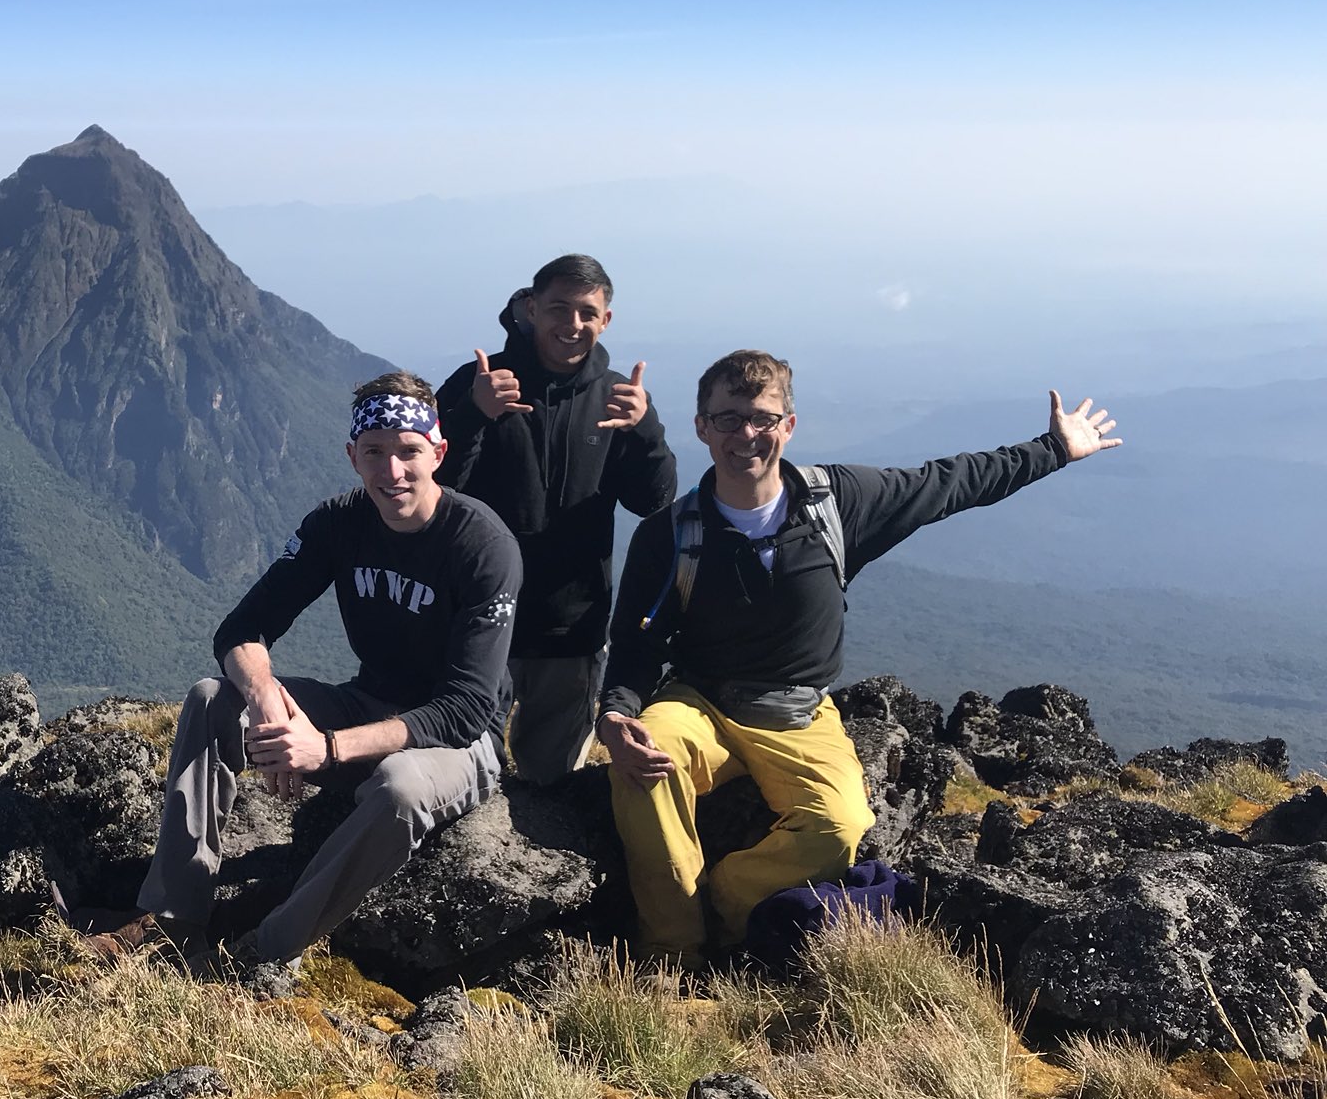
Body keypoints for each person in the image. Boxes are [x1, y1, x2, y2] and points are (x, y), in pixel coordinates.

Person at [598, 348, 1123, 964]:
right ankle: (671, 950)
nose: (747, 434)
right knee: (642, 764)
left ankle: (729, 903)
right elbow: (635, 646)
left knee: (842, 824)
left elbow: (950, 482)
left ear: (788, 426)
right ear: (702, 428)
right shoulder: (669, 532)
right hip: (697, 701)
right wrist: (616, 715)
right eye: (729, 419)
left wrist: (1054, 449)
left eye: (764, 419)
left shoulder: (838, 503)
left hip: (798, 711)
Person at [81, 371, 523, 981]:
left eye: (408, 452)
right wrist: (266, 702)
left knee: (398, 790)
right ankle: (173, 918)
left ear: (438, 453)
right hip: (367, 702)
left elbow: (467, 708)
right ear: (352, 456)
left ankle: (262, 952)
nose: (392, 470)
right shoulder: (340, 523)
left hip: (457, 743)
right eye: (375, 452)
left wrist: (326, 748)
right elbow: (240, 630)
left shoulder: (481, 545)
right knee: (214, 698)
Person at [435, 254, 676, 785]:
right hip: (478, 614)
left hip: (571, 624)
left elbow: (654, 500)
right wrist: (473, 413)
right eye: (558, 309)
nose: (572, 325)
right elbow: (432, 489)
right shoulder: (481, 382)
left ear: (606, 319)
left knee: (551, 783)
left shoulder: (618, 398)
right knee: (462, 768)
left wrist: (645, 431)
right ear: (531, 308)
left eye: (587, 313)